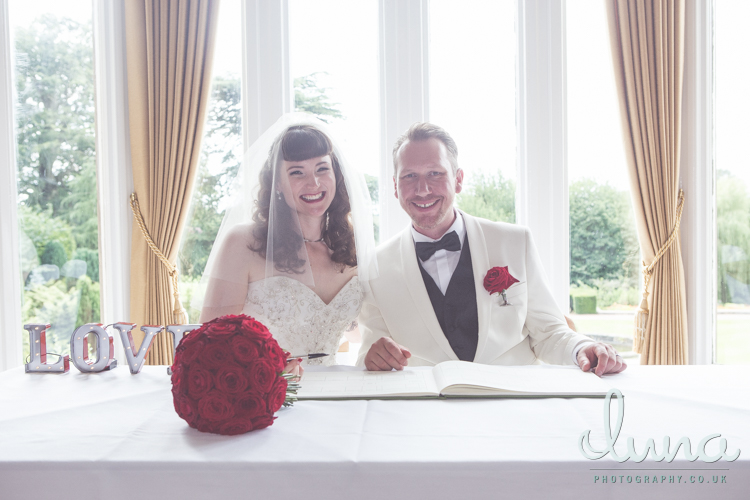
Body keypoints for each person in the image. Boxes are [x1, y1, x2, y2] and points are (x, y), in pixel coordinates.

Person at [356, 122, 626, 376]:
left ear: (458, 179)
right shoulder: (374, 268)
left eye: (435, 174)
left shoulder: (515, 242)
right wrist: (373, 358)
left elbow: (550, 332)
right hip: (427, 412)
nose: (422, 189)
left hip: (515, 405)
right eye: (410, 176)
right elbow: (369, 356)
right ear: (395, 186)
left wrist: (583, 348)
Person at [199, 114, 377, 377]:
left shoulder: (353, 250)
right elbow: (210, 343)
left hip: (337, 396)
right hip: (264, 393)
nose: (313, 183)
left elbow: (364, 333)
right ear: (278, 184)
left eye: (322, 168)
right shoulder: (243, 244)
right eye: (297, 172)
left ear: (336, 174)